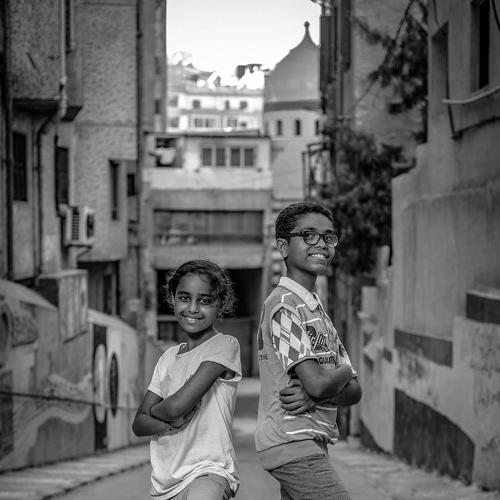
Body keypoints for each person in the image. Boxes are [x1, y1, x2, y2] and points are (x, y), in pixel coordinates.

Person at [255, 201, 362, 500]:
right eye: (309, 235)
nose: (322, 244)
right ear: (283, 247)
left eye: (328, 236)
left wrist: (319, 393)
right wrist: (343, 372)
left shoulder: (315, 310)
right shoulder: (284, 306)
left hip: (312, 441)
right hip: (291, 440)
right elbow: (319, 383)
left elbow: (354, 393)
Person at [132, 260, 242, 500]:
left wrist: (156, 411)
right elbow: (139, 424)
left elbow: (176, 407)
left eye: (205, 300)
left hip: (208, 471)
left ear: (220, 303)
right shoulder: (168, 357)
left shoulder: (224, 346)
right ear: (173, 298)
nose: (192, 308)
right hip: (164, 483)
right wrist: (170, 423)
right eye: (184, 298)